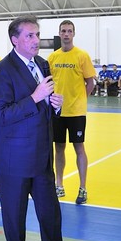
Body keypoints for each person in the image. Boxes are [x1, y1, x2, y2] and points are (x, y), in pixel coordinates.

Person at [0, 15, 83, 241]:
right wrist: (35, 97)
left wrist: (55, 105)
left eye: (37, 35)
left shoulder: (42, 64)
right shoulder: (2, 71)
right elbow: (2, 116)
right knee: (14, 217)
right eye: (29, 35)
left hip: (41, 156)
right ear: (14, 40)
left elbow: (44, 106)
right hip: (13, 159)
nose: (35, 40)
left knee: (50, 212)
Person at [47, 20, 95, 205]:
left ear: (73, 34)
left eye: (69, 31)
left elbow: (90, 82)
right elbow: (49, 82)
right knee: (59, 148)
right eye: (63, 31)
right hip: (58, 112)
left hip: (76, 112)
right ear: (59, 33)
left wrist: (81, 100)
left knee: (79, 148)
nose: (66, 34)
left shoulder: (82, 55)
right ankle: (59, 185)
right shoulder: (53, 57)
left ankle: (83, 188)